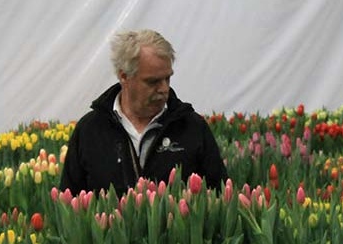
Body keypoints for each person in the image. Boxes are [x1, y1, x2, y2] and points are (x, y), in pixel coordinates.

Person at [59, 29, 227, 195]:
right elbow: (69, 200)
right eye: (153, 81)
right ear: (124, 76)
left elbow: (219, 197)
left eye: (167, 78)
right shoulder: (90, 130)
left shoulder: (192, 127)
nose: (164, 89)